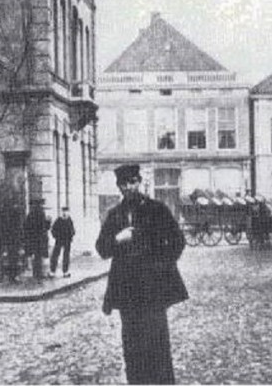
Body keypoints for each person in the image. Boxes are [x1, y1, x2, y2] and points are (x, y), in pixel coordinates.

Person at [96, 164, 188, 385]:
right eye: (124, 184)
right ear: (119, 187)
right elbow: (101, 248)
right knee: (132, 346)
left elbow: (177, 241)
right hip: (127, 292)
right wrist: (118, 239)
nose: (129, 187)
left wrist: (161, 267)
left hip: (153, 290)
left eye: (132, 182)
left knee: (157, 344)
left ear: (139, 182)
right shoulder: (115, 215)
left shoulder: (157, 209)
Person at [23, 198, 51, 279]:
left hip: (33, 238)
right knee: (38, 256)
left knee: (36, 256)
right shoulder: (41, 213)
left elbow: (26, 226)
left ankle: (37, 273)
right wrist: (48, 222)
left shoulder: (30, 214)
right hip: (39, 239)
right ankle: (38, 274)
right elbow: (44, 227)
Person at [49, 207, 75, 278]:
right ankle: (52, 271)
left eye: (66, 211)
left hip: (67, 240)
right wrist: (56, 236)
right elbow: (53, 229)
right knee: (55, 255)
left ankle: (65, 272)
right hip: (59, 240)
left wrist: (71, 236)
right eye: (63, 211)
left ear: (68, 212)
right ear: (61, 212)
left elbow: (72, 230)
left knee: (66, 256)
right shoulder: (58, 220)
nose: (64, 213)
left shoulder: (69, 220)